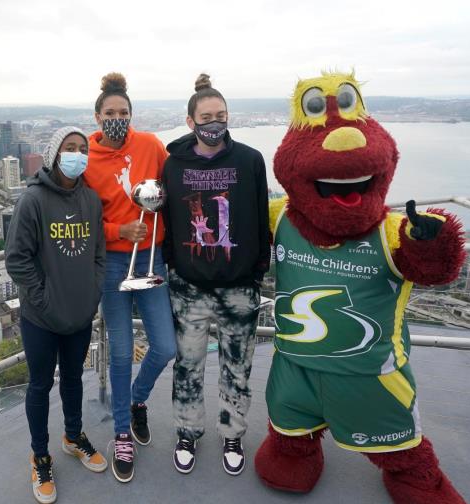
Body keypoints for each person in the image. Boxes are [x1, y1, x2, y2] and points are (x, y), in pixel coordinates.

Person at [161, 74, 270, 476]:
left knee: (237, 366)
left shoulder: (250, 160)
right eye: (206, 116)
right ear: (190, 121)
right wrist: (175, 266)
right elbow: (169, 224)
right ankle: (187, 431)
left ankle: (232, 434)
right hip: (189, 288)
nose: (214, 122)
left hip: (239, 287)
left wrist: (257, 270)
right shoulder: (173, 165)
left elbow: (261, 217)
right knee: (187, 365)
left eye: (221, 115)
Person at [83, 72, 177, 483]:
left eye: (123, 112)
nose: (116, 118)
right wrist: (117, 231)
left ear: (131, 114)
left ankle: (137, 400)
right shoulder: (84, 154)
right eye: (110, 113)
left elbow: (174, 184)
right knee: (120, 352)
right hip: (114, 264)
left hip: (151, 260)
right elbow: (80, 218)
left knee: (166, 345)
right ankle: (121, 430)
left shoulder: (150, 146)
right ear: (98, 115)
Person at [5, 126, 107, 504]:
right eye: (70, 148)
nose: (78, 154)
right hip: (42, 318)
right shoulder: (32, 201)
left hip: (80, 314)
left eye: (83, 149)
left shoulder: (92, 201)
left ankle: (73, 435)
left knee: (75, 378)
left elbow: (98, 253)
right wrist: (43, 298)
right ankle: (40, 455)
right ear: (54, 154)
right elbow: (16, 259)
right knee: (39, 385)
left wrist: (93, 291)